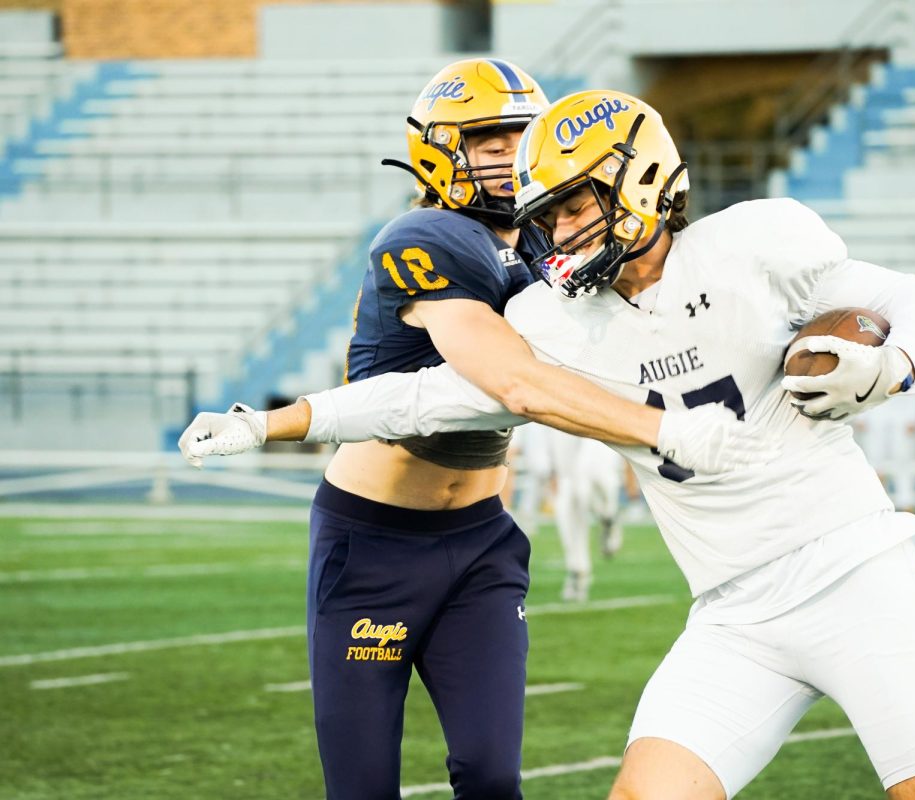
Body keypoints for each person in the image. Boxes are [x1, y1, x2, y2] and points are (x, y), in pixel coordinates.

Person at [183, 90, 915, 800]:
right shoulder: (555, 320)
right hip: (732, 615)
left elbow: (914, 296)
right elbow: (427, 394)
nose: (560, 235)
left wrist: (894, 363)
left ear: (638, 177)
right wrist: (270, 422)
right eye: (547, 219)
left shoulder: (755, 243)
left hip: (852, 573)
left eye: (574, 208)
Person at [180, 65, 765, 800]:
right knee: (361, 789)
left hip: (482, 538)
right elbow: (510, 381)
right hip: (375, 543)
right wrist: (666, 430)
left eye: (521, 134)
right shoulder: (427, 234)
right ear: (437, 149)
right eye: (488, 137)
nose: (508, 151)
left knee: (491, 776)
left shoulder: (555, 242)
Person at [549, 428, 626, 602]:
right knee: (568, 494)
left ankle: (608, 516)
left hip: (597, 415)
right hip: (561, 415)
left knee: (600, 480)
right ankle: (578, 570)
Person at [856, 393, 915, 513]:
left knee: (903, 460)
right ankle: (878, 503)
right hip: (875, 412)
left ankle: (906, 503)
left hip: (902, 413)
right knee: (874, 462)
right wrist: (861, 415)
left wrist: (914, 417)